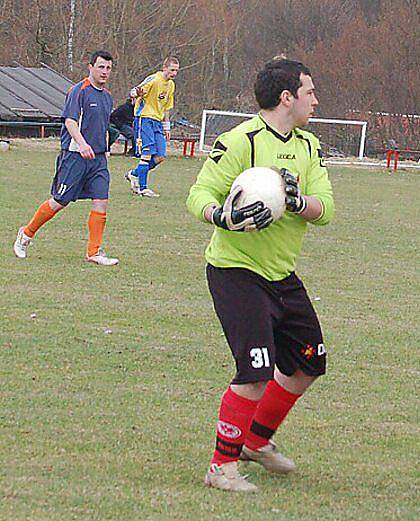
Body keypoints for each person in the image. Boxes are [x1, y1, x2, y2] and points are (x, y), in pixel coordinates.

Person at [186, 57, 335, 493]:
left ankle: (255, 440)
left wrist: (294, 200)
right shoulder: (239, 141)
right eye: (309, 92)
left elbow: (325, 210)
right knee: (255, 372)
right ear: (287, 97)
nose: (315, 100)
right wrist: (223, 216)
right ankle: (221, 467)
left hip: (281, 274)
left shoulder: (309, 146)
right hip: (236, 272)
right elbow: (198, 194)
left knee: (310, 362)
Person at [13, 51, 118, 266]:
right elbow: (70, 122)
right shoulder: (78, 91)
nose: (105, 72)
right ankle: (26, 234)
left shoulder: (107, 96)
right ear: (90, 67)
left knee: (101, 201)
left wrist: (105, 147)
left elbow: (104, 125)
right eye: (101, 67)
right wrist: (82, 144)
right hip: (75, 156)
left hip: (98, 160)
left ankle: (93, 251)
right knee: (60, 201)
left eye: (108, 68)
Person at [126, 56, 180, 197]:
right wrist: (135, 93)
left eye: (176, 71)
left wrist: (166, 127)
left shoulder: (171, 85)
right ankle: (143, 188)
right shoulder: (154, 79)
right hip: (144, 119)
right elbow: (135, 91)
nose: (174, 73)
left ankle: (133, 174)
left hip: (157, 122)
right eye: (172, 70)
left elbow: (167, 107)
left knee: (160, 156)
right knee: (147, 153)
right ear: (164, 68)